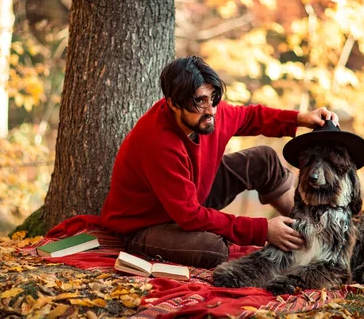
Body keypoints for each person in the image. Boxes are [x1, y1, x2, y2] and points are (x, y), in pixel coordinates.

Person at [101, 56, 339, 268]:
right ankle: (284, 238)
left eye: (213, 98)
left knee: (263, 159)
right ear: (173, 103)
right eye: (200, 101)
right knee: (212, 248)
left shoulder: (208, 113)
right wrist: (262, 230)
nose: (211, 109)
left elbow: (250, 117)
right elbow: (190, 215)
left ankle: (307, 230)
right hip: (145, 224)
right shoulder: (158, 142)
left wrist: (301, 119)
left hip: (191, 195)